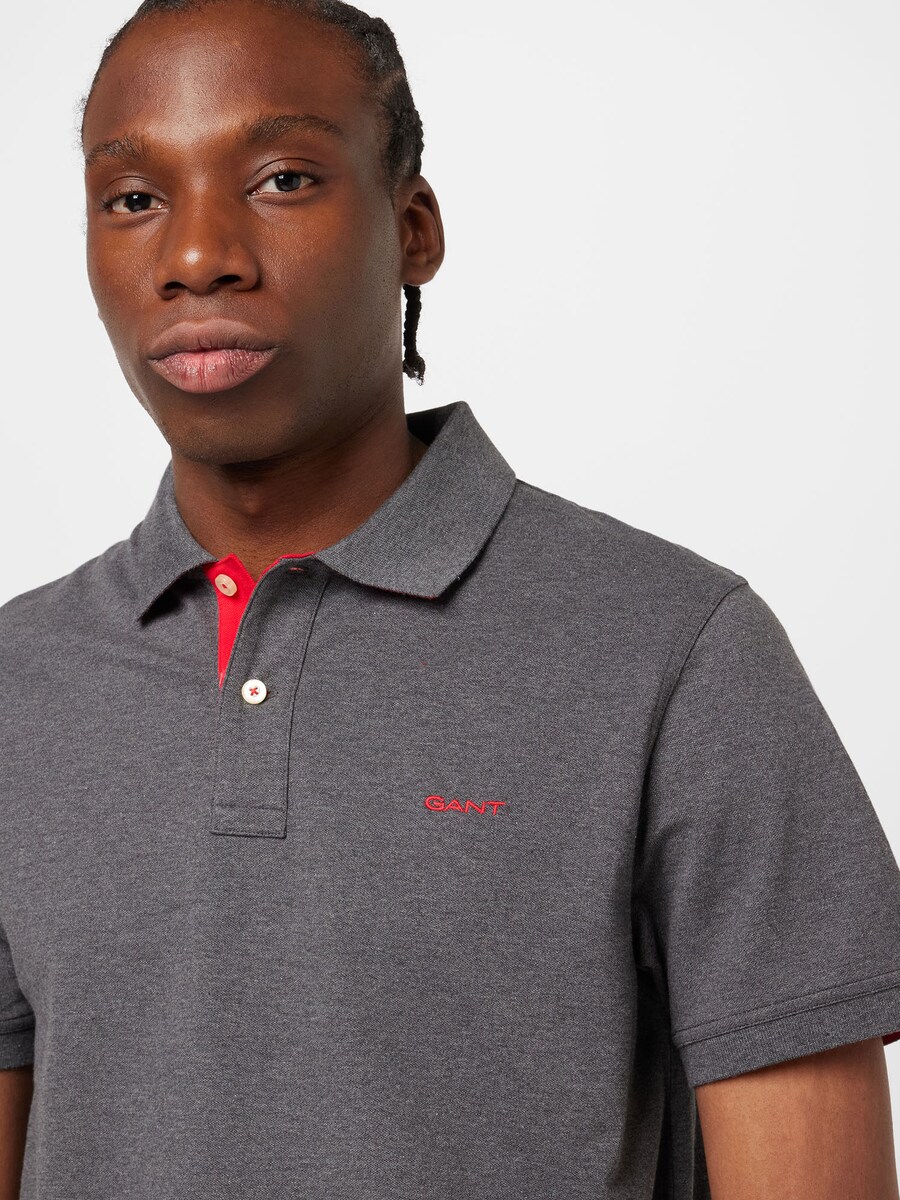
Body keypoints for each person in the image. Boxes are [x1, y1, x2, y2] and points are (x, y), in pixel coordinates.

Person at [1, 1, 899, 1197]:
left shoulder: (678, 653)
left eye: (280, 179)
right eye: (132, 198)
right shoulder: (18, 684)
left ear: (413, 229)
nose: (198, 255)